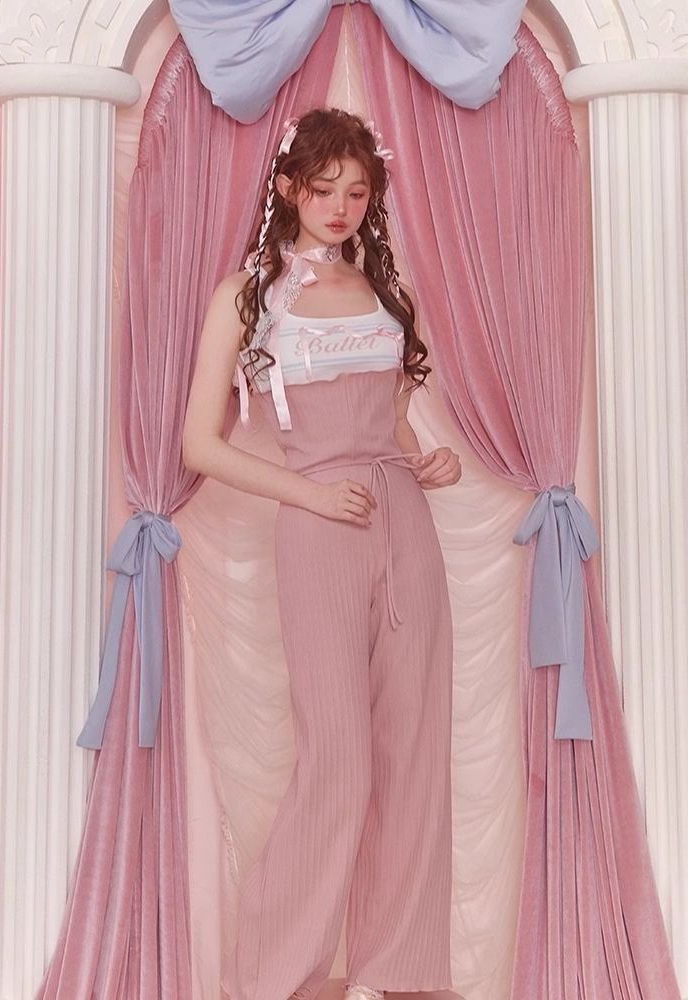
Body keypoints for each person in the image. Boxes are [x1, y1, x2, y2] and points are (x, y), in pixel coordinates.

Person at [182, 107, 461, 1000]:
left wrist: (429, 458)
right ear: (288, 188)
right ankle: (278, 975)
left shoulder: (384, 289)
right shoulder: (246, 297)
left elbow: (392, 422)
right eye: (323, 189)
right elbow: (201, 444)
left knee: (415, 748)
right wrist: (309, 495)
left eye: (357, 192)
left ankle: (397, 971)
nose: (340, 207)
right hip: (317, 528)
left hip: (403, 521)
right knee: (337, 754)